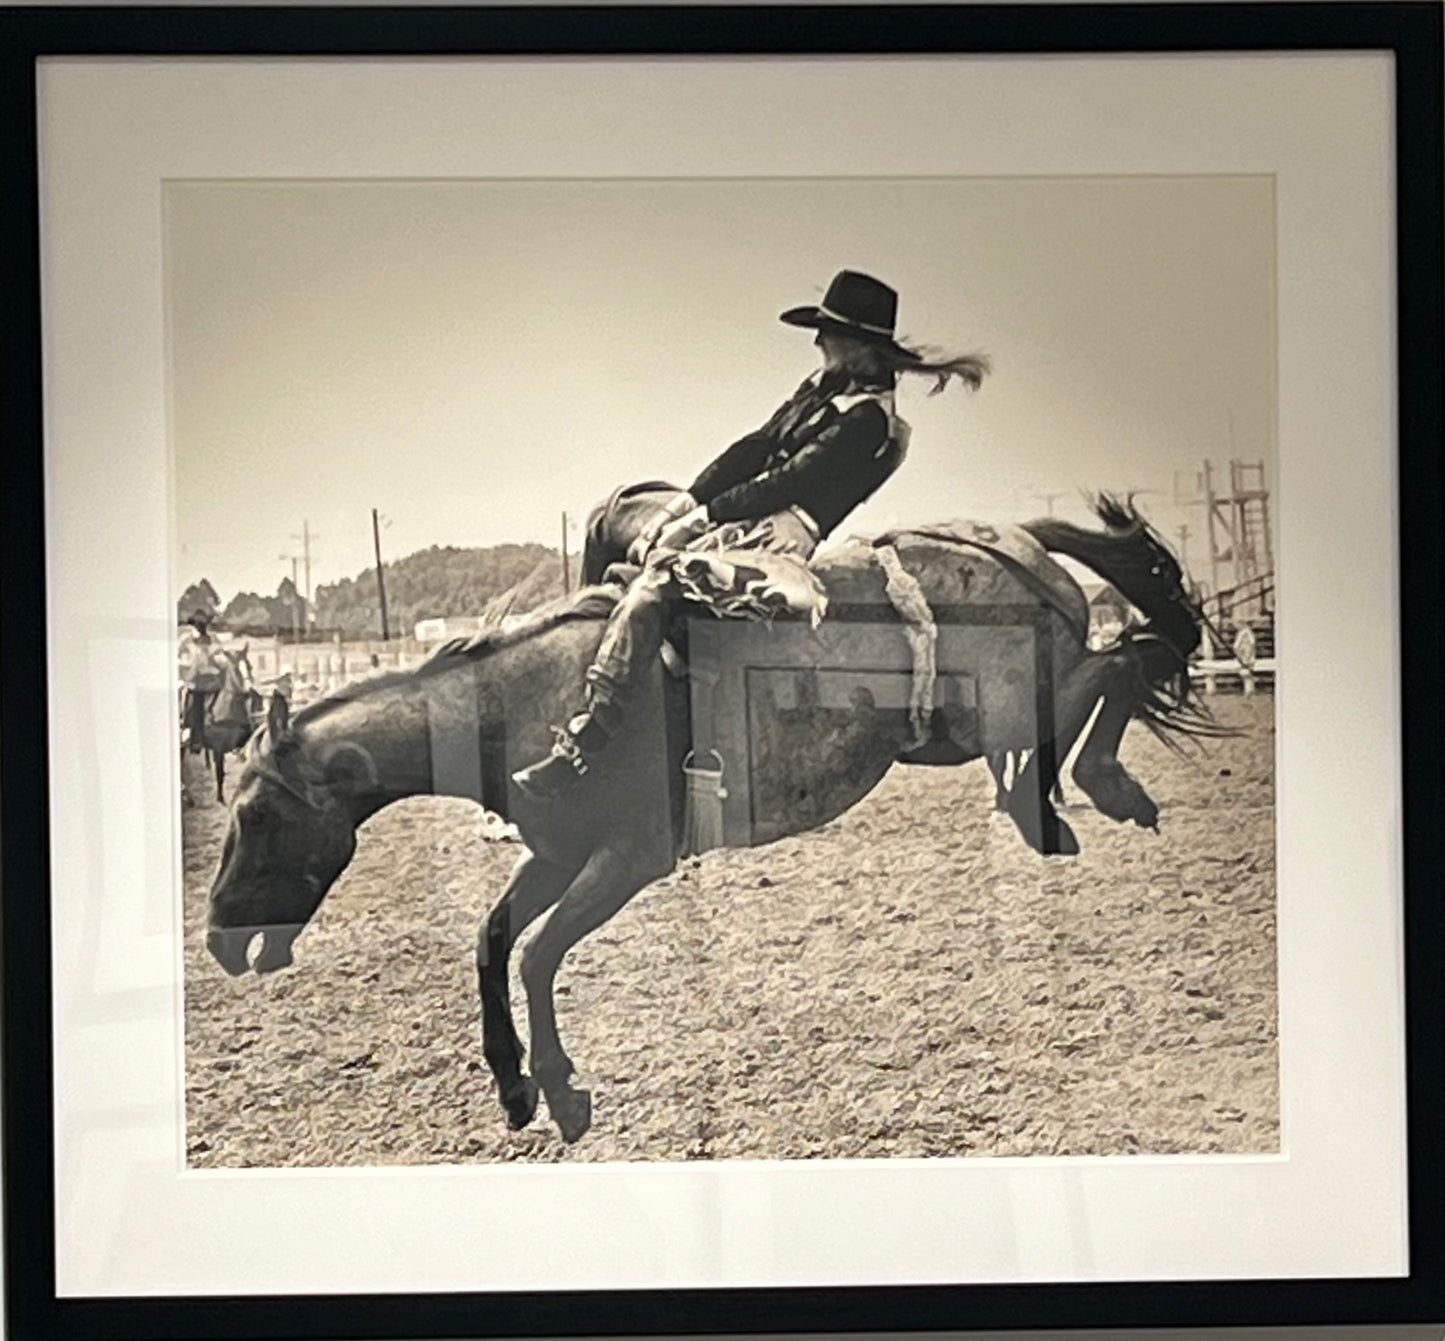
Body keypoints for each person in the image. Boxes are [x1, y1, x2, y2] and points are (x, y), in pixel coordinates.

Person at [510, 269, 990, 800]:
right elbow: (756, 447)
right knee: (610, 524)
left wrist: (700, 520)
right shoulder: (822, 389)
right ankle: (593, 674)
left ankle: (589, 741)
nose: (818, 341)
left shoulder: (869, 421)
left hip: (779, 546)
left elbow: (787, 481)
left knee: (653, 590)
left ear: (860, 346)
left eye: (829, 333)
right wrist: (687, 504)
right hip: (741, 522)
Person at [179, 609, 221, 753]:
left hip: (213, 679)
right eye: (198, 624)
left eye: (203, 623)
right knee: (196, 706)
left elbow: (220, 657)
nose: (201, 626)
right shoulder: (187, 640)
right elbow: (181, 659)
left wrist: (216, 661)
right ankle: (196, 738)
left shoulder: (213, 639)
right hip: (195, 680)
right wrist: (192, 664)